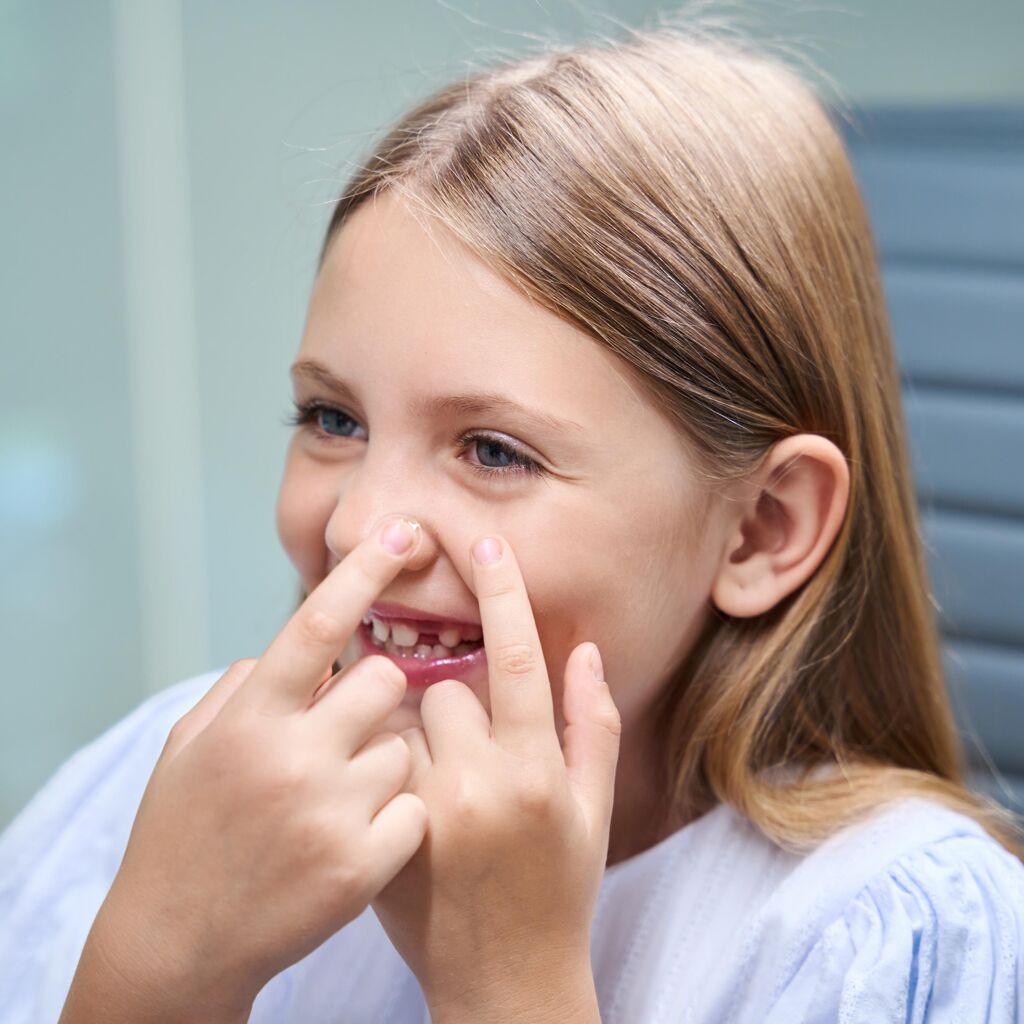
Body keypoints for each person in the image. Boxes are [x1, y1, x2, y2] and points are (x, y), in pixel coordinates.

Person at [3, 21, 1023, 1024]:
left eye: (493, 450)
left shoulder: (887, 939)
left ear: (759, 527)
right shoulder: (171, 790)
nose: (359, 524)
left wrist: (508, 985)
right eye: (332, 418)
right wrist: (156, 967)